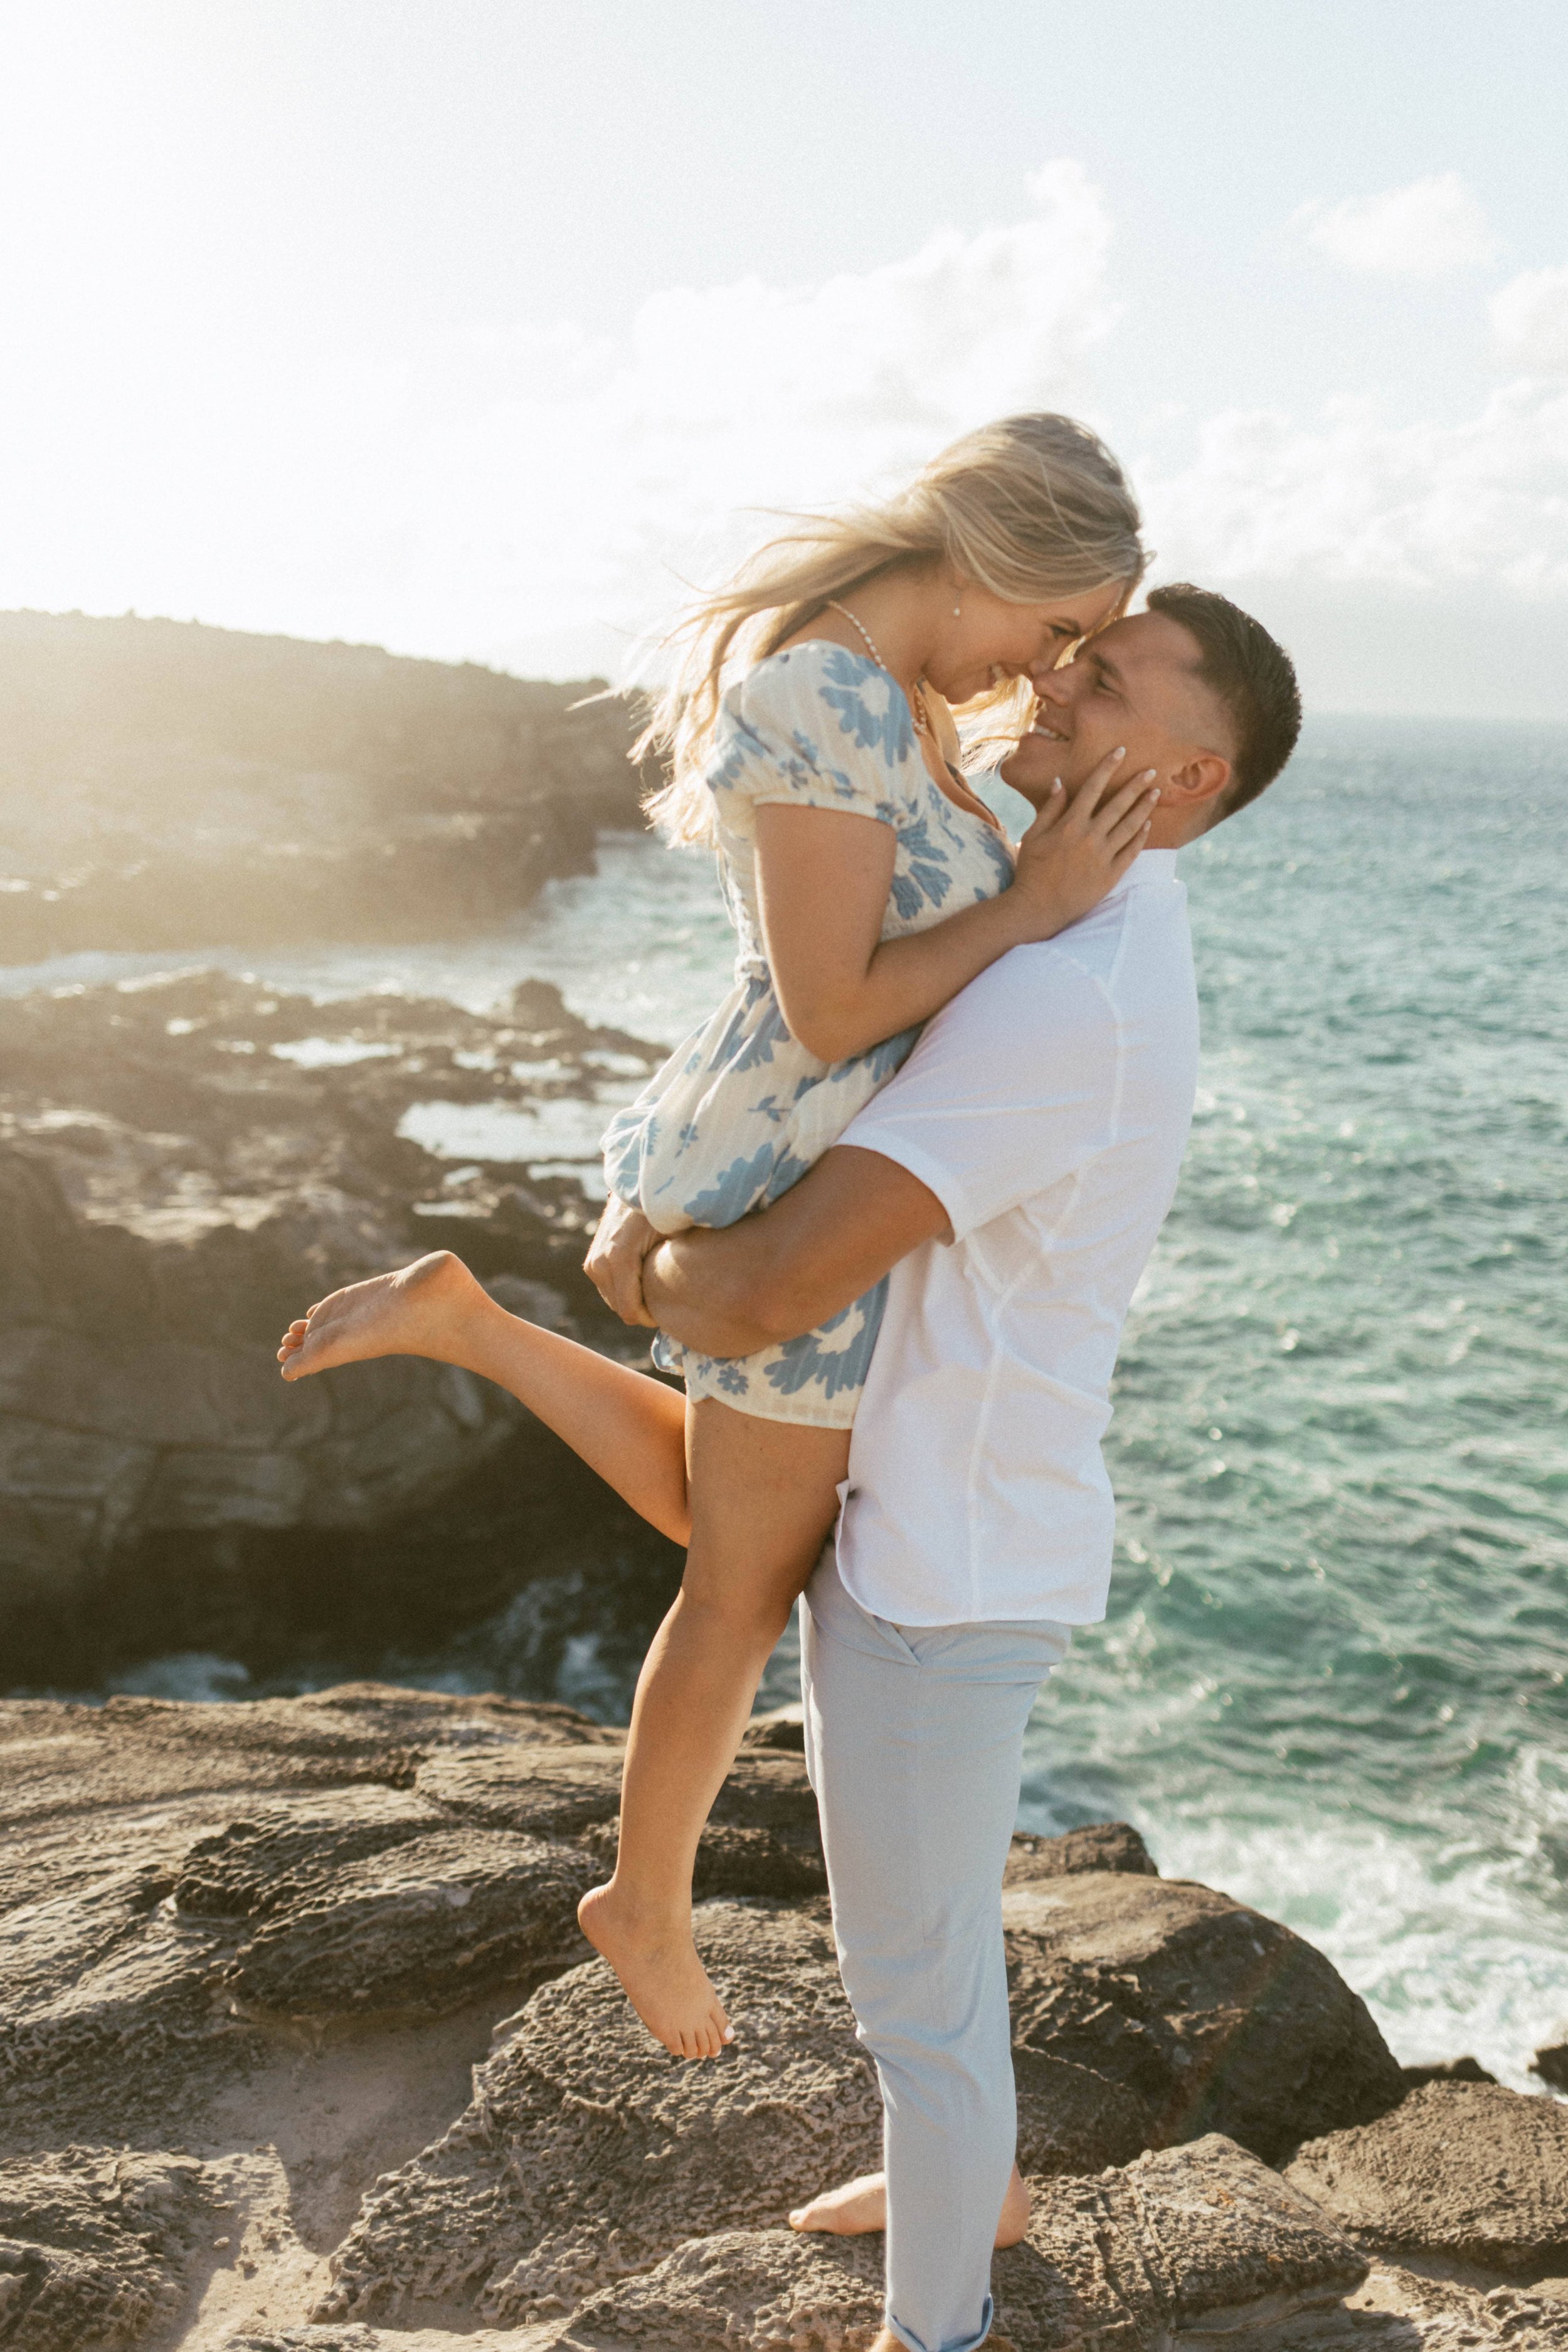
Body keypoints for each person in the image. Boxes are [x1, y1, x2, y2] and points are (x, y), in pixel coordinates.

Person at [278, 581, 1301, 2352]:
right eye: (1069, 647)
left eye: (1107, 674)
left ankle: (938, 2328)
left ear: (1188, 775)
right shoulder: (1096, 910)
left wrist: (636, 1261)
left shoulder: (1070, 1001)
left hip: (941, 1561)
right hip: (934, 1497)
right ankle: (965, 2189)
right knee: (778, 1650)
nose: (1058, 679)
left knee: (912, 2008)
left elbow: (756, 1295)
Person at [281, 412, 1157, 2064]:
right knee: (739, 1582)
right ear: (990, 567)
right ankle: (642, 1902)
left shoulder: (885, 692)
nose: (1055, 672)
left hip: (794, 1158)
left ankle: (470, 1323)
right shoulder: (823, 691)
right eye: (1058, 633)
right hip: (790, 1158)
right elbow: (826, 1007)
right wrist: (1034, 907)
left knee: (737, 1521)